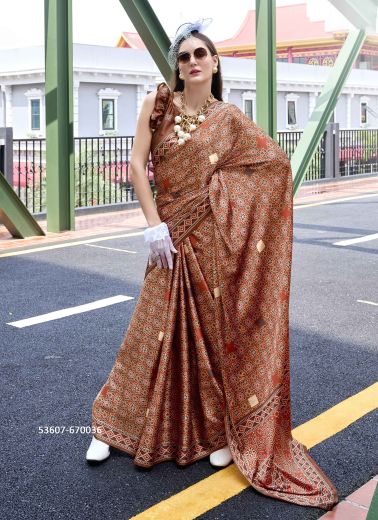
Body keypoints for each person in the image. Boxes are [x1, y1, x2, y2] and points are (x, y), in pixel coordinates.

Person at [86, 19, 339, 511]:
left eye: (200, 53)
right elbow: (139, 166)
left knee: (208, 338)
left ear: (215, 62)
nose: (192, 62)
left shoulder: (228, 119)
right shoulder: (157, 106)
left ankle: (220, 434)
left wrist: (226, 203)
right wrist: (153, 225)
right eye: (184, 56)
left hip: (211, 242)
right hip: (168, 238)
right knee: (149, 332)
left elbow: (272, 165)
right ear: (177, 67)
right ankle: (112, 426)